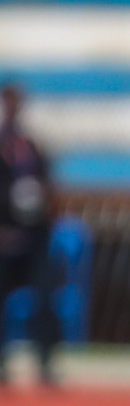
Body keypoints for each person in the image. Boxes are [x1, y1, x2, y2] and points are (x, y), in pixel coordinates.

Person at [0, 82, 60, 387]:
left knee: (47, 293)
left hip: (34, 237)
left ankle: (45, 362)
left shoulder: (32, 146)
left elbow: (48, 185)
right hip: (4, 239)